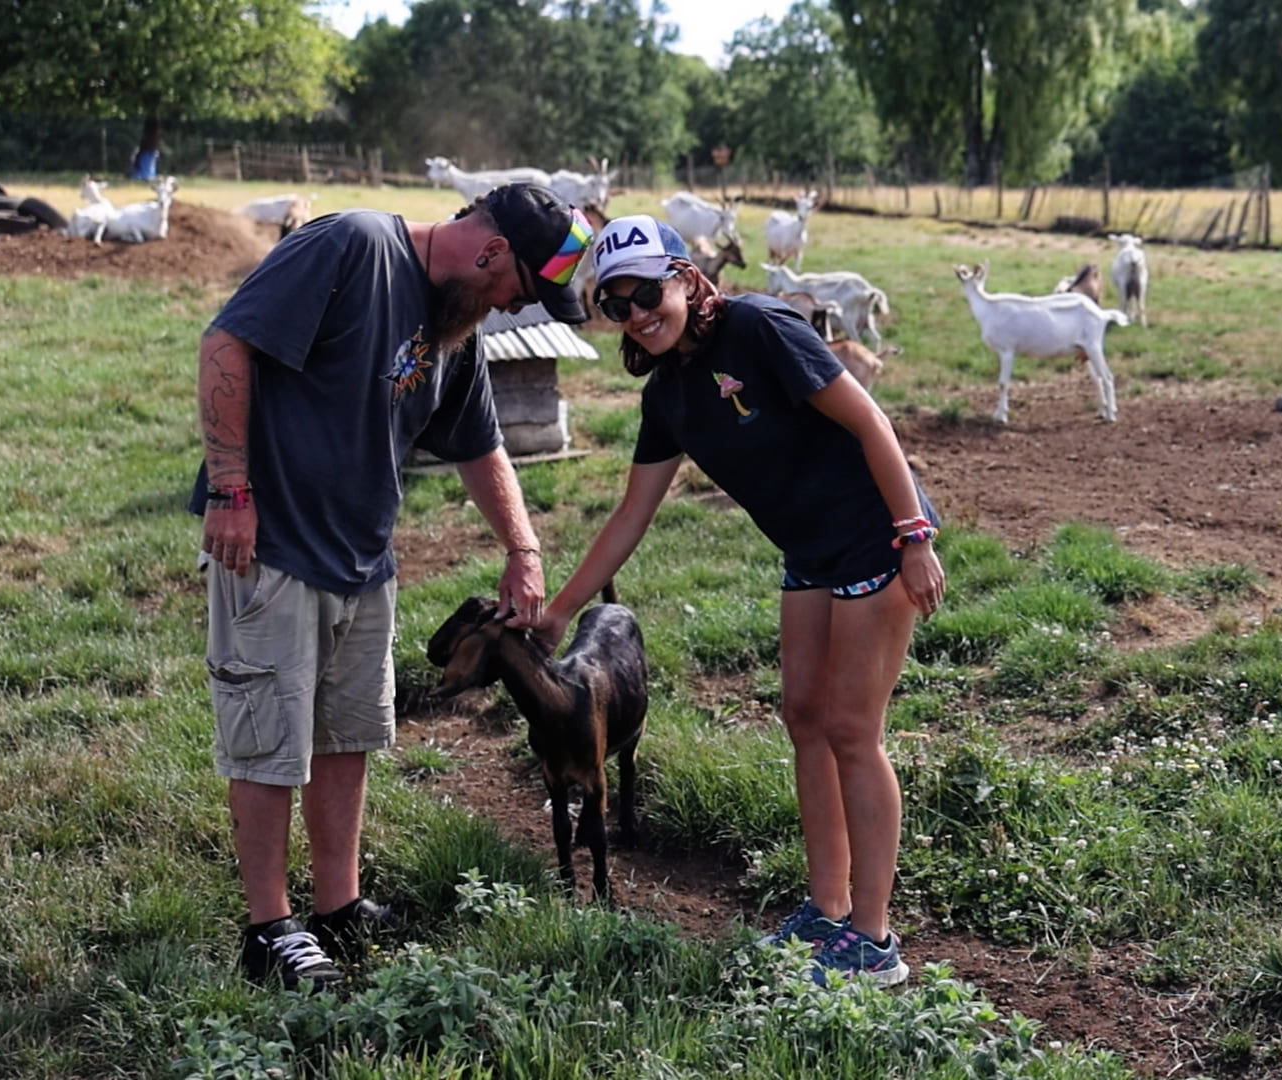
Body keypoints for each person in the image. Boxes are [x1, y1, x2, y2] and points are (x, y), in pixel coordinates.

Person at [520, 215, 943, 986]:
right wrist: (557, 609)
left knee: (853, 730)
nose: (638, 314)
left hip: (875, 534)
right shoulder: (670, 392)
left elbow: (871, 421)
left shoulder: (758, 327)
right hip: (810, 552)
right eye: (617, 304)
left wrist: (914, 534)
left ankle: (873, 943)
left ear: (683, 276)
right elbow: (630, 516)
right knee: (804, 721)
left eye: (647, 292)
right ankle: (826, 911)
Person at [192, 183, 595, 989]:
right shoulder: (351, 245)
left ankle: (337, 909)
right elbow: (226, 344)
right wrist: (233, 490)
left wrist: (523, 547)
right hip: (272, 546)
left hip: (363, 558)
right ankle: (269, 929)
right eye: (518, 288)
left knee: (348, 738)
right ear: (489, 253)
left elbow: (479, 444)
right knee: (270, 742)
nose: (513, 306)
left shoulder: (456, 327)